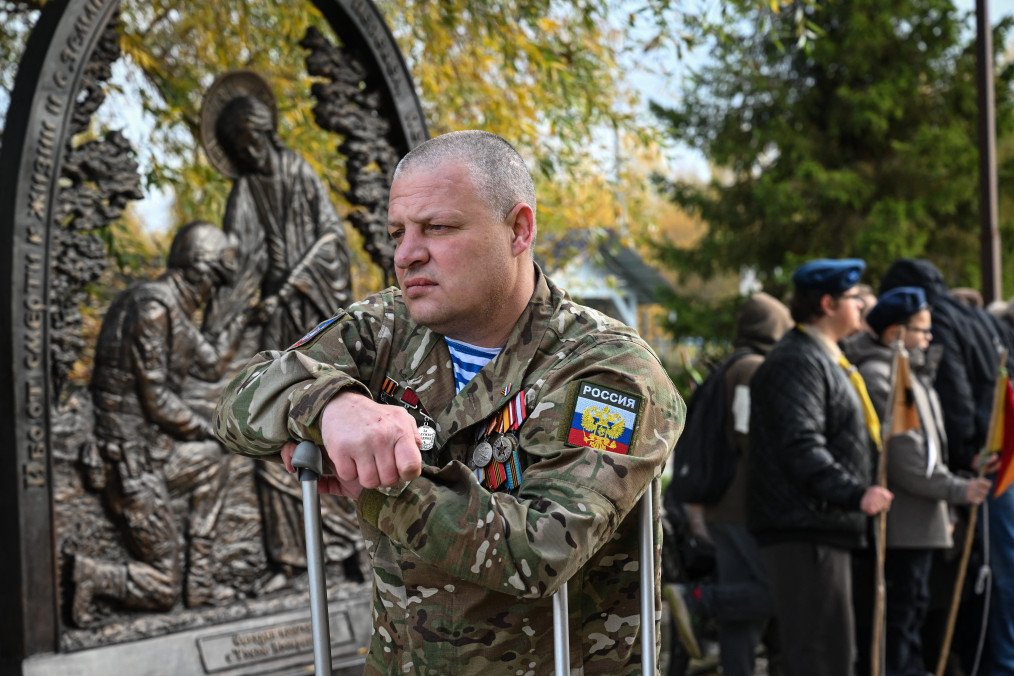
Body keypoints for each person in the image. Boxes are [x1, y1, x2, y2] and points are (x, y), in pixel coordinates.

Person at [213, 130, 685, 673]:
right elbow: (238, 399)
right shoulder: (386, 329)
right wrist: (334, 405)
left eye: (438, 228)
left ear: (518, 229)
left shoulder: (606, 369)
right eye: (398, 232)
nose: (407, 255)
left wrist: (380, 482)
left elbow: (544, 549)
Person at [200, 72, 361, 585]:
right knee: (275, 431)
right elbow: (238, 253)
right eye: (234, 146)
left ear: (262, 132)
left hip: (313, 319)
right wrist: (223, 315)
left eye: (247, 139)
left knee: (327, 422)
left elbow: (331, 241)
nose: (245, 151)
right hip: (277, 324)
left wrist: (292, 286)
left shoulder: (298, 171)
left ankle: (349, 548)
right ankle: (292, 562)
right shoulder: (246, 189)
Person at [73, 222, 247, 625]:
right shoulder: (151, 309)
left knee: (213, 461)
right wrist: (212, 428)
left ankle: (200, 583)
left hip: (153, 457)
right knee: (162, 588)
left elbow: (211, 365)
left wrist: (242, 317)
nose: (211, 294)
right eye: (214, 284)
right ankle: (92, 574)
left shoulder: (175, 313)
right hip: (129, 465)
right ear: (199, 272)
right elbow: (158, 403)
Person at [746, 258, 894, 676]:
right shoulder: (798, 361)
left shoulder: (826, 357)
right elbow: (801, 445)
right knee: (819, 656)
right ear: (828, 303)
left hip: (824, 526)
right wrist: (854, 492)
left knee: (832, 653)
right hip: (805, 528)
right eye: (853, 299)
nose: (863, 307)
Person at [844, 286, 992, 676]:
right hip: (903, 527)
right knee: (898, 626)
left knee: (914, 618)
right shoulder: (885, 377)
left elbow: (930, 449)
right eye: (921, 330)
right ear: (895, 332)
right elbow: (907, 459)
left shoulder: (911, 373)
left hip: (922, 523)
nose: (929, 338)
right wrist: (958, 489)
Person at [879, 260, 1014, 674]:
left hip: (974, 469)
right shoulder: (979, 318)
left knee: (984, 585)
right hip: (997, 465)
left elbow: (954, 399)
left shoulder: (944, 321)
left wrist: (963, 466)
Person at [691, 292, 792, 676]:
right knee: (767, 595)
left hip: (726, 503)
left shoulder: (730, 366)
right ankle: (697, 599)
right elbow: (750, 435)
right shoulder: (750, 369)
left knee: (744, 620)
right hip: (740, 505)